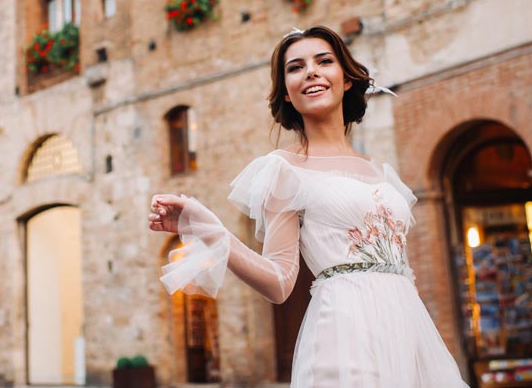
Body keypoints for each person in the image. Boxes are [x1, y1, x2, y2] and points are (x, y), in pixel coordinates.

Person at [148, 26, 468, 388]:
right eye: (296, 67)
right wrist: (211, 230)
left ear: (346, 79)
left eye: (324, 61)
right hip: (343, 335)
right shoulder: (284, 171)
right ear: (287, 92)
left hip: (408, 329)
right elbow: (279, 283)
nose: (311, 71)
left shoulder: (379, 172)